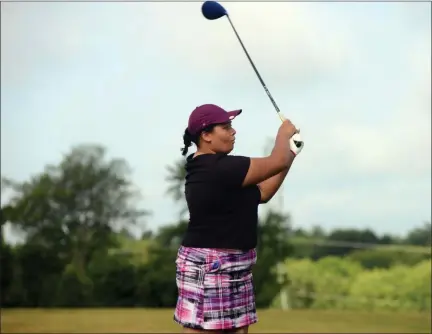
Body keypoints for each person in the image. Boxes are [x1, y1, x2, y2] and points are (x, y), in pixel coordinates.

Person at [173, 104, 304, 333]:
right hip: (211, 264)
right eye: (225, 127)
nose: (233, 131)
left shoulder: (223, 170)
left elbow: (263, 193)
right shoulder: (216, 168)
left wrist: (290, 152)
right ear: (206, 135)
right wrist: (284, 136)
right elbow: (276, 161)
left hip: (236, 264)